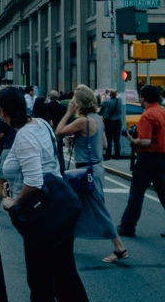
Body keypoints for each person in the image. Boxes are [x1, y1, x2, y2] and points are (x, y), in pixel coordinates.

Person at [0, 87, 93, 302]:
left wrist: (13, 202)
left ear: (1, 111)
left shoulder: (24, 136)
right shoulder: (41, 124)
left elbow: (35, 181)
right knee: (66, 277)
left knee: (41, 284)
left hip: (39, 217)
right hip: (59, 211)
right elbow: (49, 165)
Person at [55, 85, 128, 263]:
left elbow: (58, 132)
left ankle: (120, 248)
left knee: (97, 208)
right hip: (96, 168)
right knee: (78, 206)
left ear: (78, 103)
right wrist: (81, 138)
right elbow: (103, 145)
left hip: (85, 171)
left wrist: (68, 113)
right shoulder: (98, 119)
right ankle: (67, 243)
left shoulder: (84, 121)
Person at [117, 85, 165, 240]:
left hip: (148, 159)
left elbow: (145, 141)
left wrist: (132, 139)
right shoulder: (164, 113)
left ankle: (128, 226)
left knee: (136, 193)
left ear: (143, 98)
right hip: (164, 158)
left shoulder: (147, 115)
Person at [101, 90, 122, 160]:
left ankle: (107, 156)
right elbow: (118, 96)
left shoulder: (108, 102)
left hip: (109, 122)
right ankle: (117, 156)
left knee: (108, 140)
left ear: (110, 95)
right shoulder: (120, 101)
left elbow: (102, 101)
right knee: (117, 140)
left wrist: (105, 94)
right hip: (118, 122)